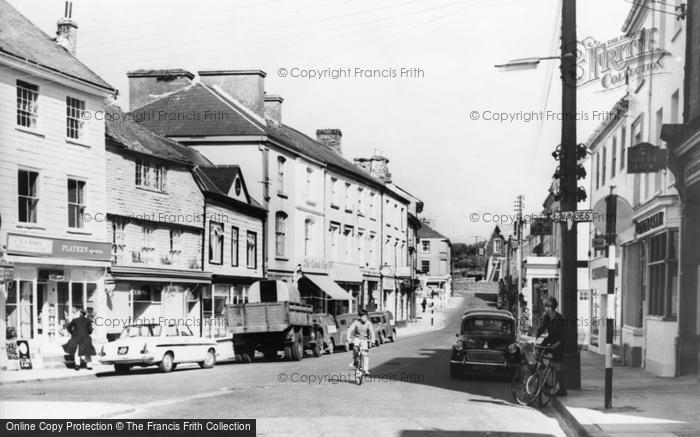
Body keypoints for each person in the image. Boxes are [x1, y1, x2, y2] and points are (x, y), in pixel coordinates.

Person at [535, 296, 567, 396]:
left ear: (553, 307)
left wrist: (557, 344)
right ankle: (543, 370)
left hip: (559, 343)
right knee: (538, 349)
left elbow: (563, 335)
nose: (547, 309)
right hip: (550, 339)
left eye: (549, 307)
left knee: (557, 366)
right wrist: (536, 339)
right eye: (546, 306)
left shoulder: (559, 318)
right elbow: (541, 329)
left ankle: (561, 390)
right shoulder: (546, 317)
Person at [346, 309, 376, 376]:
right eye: (363, 317)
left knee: (365, 354)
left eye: (366, 317)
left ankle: (366, 370)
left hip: (365, 339)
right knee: (355, 348)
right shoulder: (356, 322)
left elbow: (372, 332)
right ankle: (354, 361)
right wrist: (348, 338)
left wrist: (373, 340)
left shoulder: (369, 323)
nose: (365, 318)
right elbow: (350, 329)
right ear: (360, 317)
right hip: (357, 338)